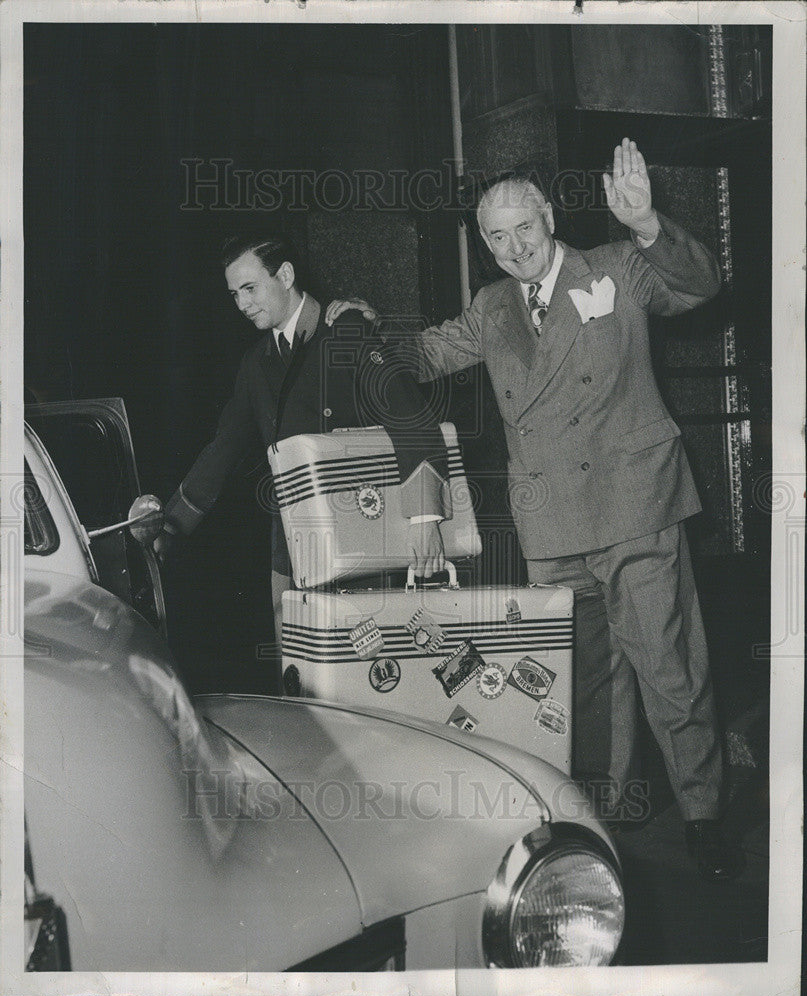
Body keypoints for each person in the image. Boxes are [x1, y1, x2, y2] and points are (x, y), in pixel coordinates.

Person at [325, 138, 741, 880]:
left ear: (547, 216)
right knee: (588, 681)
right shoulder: (491, 308)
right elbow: (422, 355)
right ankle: (612, 808)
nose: (514, 246)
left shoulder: (615, 266)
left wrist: (647, 224)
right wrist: (360, 326)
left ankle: (704, 812)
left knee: (667, 668)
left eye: (524, 227)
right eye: (496, 236)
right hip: (552, 522)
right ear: (483, 244)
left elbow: (701, 283)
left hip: (635, 502)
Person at [154, 233, 448, 685]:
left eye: (250, 288)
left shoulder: (346, 330)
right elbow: (224, 447)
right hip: (289, 542)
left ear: (285, 275)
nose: (242, 304)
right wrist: (172, 524)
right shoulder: (256, 362)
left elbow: (412, 419)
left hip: (359, 535)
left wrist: (425, 519)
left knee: (367, 674)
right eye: (234, 294)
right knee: (300, 670)